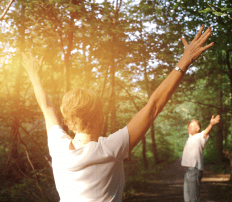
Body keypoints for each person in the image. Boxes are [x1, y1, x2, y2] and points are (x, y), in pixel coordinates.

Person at [21, 24, 214, 202]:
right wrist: (184, 61)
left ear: (68, 121)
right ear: (100, 117)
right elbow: (153, 106)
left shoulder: (58, 147)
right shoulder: (111, 148)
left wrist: (33, 75)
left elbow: (47, 107)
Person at [181, 115, 220, 202]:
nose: (189, 128)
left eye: (192, 126)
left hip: (194, 170)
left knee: (193, 198)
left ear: (198, 128)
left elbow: (206, 132)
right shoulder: (190, 137)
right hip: (187, 171)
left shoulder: (200, 137)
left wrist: (211, 124)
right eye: (189, 126)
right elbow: (189, 128)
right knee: (187, 198)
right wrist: (190, 124)